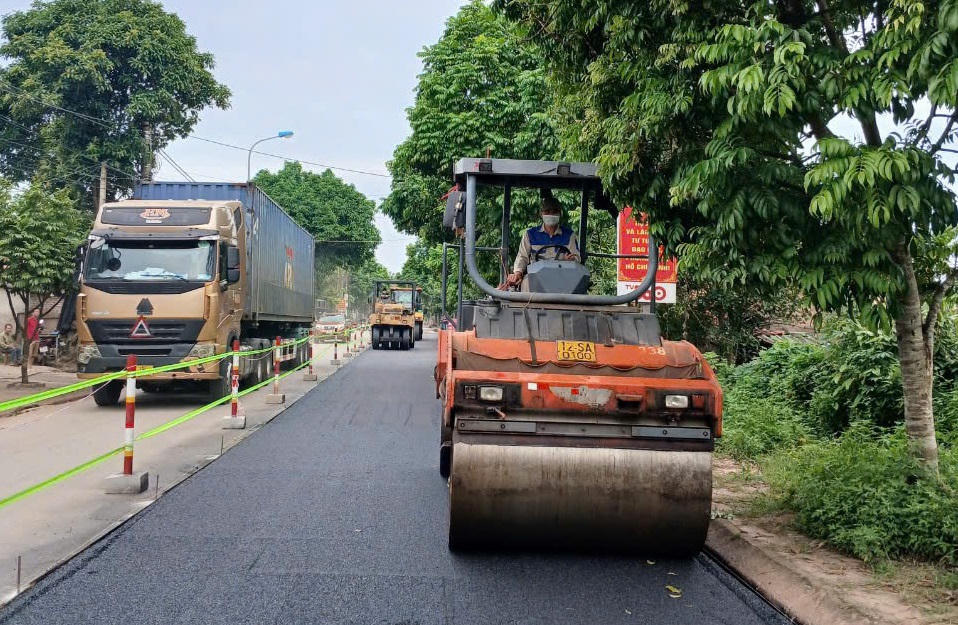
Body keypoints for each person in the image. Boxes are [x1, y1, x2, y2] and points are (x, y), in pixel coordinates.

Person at [506, 190, 580, 288]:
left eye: (554, 211)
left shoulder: (569, 235)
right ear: (541, 214)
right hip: (535, 278)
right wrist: (518, 273)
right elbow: (522, 257)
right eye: (547, 211)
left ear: (560, 214)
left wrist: (570, 260)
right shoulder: (530, 234)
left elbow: (576, 258)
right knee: (526, 282)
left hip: (561, 278)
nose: (551, 214)